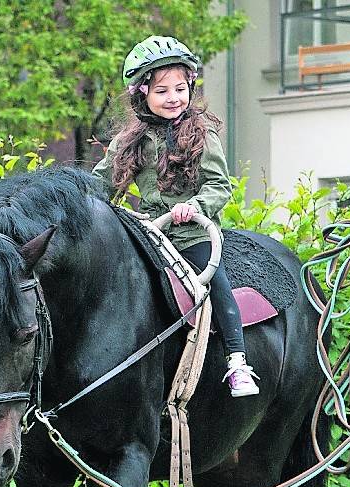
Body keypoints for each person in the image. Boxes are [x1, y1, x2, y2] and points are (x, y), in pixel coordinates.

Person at [93, 35, 258, 397]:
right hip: (152, 235)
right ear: (142, 95)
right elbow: (99, 185)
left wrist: (196, 207)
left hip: (193, 235)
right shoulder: (127, 142)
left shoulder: (203, 134)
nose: (173, 98)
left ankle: (237, 361)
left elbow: (219, 185)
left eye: (180, 89)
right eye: (162, 90)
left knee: (218, 288)